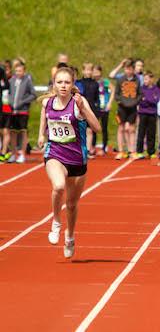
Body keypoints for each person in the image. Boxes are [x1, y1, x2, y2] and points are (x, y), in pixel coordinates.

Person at [38, 67, 101, 258]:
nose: (63, 86)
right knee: (58, 186)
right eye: (59, 82)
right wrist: (41, 135)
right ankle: (56, 222)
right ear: (54, 84)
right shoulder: (47, 103)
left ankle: (70, 236)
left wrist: (83, 109)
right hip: (55, 154)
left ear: (73, 84)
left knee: (72, 205)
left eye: (67, 82)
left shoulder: (78, 103)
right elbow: (44, 121)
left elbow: (97, 128)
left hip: (77, 160)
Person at [110, 60, 140, 160]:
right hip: (122, 108)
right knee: (121, 128)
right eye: (126, 69)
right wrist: (120, 102)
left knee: (131, 129)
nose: (128, 71)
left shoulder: (137, 80)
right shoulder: (120, 79)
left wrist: (135, 102)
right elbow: (117, 93)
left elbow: (140, 93)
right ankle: (121, 151)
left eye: (130, 69)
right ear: (124, 69)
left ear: (133, 69)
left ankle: (132, 151)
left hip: (132, 108)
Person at [7, 62, 36, 163]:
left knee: (23, 131)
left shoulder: (27, 81)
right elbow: (8, 93)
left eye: (20, 71)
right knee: (13, 132)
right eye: (16, 71)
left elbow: (33, 94)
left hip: (23, 111)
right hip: (13, 111)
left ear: (24, 71)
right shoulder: (11, 81)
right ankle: (13, 153)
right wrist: (10, 103)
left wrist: (23, 102)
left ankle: (22, 154)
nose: (18, 73)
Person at [77, 63, 100, 158]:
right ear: (83, 71)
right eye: (86, 70)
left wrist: (97, 109)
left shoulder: (95, 83)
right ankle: (81, 149)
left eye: (90, 70)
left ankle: (88, 150)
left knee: (90, 131)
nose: (88, 72)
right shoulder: (79, 82)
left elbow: (97, 98)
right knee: (81, 130)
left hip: (92, 109)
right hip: (81, 108)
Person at [136, 71, 159, 159]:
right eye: (144, 79)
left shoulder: (156, 89)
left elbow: (155, 100)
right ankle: (139, 151)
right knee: (141, 133)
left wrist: (146, 99)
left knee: (151, 133)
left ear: (151, 79)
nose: (145, 81)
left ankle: (151, 152)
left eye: (146, 79)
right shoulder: (141, 89)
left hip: (152, 114)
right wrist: (147, 100)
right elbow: (140, 100)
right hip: (142, 113)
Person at [93, 65, 112, 155]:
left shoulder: (105, 82)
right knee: (93, 128)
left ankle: (104, 147)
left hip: (104, 108)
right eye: (94, 72)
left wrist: (109, 103)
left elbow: (113, 89)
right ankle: (92, 146)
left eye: (97, 72)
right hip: (95, 108)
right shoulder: (92, 82)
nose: (96, 74)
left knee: (104, 128)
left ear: (101, 72)